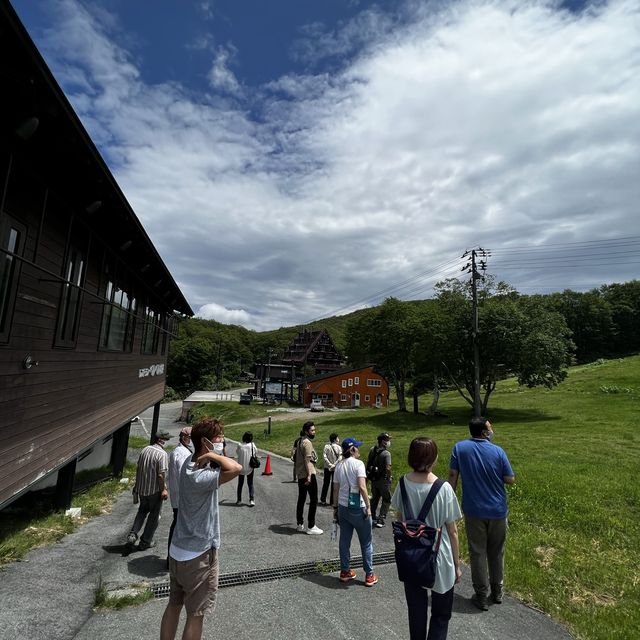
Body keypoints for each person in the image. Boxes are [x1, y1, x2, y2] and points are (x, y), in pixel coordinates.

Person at [160, 417, 242, 640]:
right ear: (206, 442)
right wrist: (215, 455)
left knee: (174, 606)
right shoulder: (202, 476)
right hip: (198, 555)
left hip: (178, 551)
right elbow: (236, 468)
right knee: (196, 615)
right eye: (218, 438)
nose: (222, 441)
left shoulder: (189, 463)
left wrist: (209, 455)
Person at [391, 437, 462, 640]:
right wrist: (456, 565)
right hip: (439, 557)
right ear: (433, 458)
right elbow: (453, 531)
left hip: (411, 556)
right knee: (440, 615)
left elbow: (400, 518)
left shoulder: (403, 483)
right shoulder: (444, 488)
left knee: (416, 614)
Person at [448, 417, 515, 611]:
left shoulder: (459, 449)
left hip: (473, 509)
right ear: (485, 432)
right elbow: (509, 479)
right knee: (497, 551)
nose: (492, 430)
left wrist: (449, 498)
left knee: (477, 552)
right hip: (498, 510)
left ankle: (481, 594)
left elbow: (453, 476)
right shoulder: (498, 451)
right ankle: (497, 590)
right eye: (490, 427)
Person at [332, 437, 378, 587]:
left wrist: (335, 508)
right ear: (352, 449)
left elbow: (336, 489)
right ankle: (369, 574)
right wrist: (369, 507)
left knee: (344, 540)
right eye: (357, 447)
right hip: (359, 507)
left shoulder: (338, 466)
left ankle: (345, 571)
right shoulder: (359, 464)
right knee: (366, 542)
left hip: (343, 507)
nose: (359, 450)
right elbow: (362, 487)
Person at [126, 429, 171, 551]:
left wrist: (137, 485)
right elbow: (161, 475)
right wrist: (163, 490)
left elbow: (138, 468)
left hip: (142, 489)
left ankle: (133, 534)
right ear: (163, 441)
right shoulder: (162, 454)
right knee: (154, 517)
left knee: (142, 511)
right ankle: (145, 541)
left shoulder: (145, 450)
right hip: (154, 491)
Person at [167, 426, 193, 558]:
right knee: (179, 526)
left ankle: (172, 556)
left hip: (177, 495)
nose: (192, 440)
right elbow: (185, 475)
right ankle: (172, 557)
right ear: (184, 438)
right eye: (190, 438)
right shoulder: (182, 453)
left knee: (177, 524)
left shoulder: (177, 451)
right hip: (182, 496)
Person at [293, 421, 323, 534]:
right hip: (308, 474)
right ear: (306, 431)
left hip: (300, 474)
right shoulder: (307, 443)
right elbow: (307, 460)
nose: (314, 432)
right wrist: (310, 475)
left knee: (301, 499)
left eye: (314, 430)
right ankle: (311, 526)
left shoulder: (299, 441)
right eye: (312, 430)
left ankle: (299, 524)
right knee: (314, 499)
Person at [368, 432, 392, 528]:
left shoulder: (372, 450)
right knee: (386, 499)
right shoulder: (386, 453)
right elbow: (388, 468)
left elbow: (369, 462)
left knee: (375, 497)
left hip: (374, 478)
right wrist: (389, 477)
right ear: (383, 442)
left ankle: (372, 515)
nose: (389, 442)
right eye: (387, 440)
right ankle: (381, 518)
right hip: (383, 479)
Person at [236, 431, 257, 506]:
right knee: (250, 483)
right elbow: (255, 453)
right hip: (250, 467)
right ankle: (251, 499)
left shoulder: (239, 445)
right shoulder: (252, 445)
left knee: (240, 484)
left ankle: (239, 500)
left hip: (241, 468)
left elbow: (237, 453)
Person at [319, 432, 341, 506]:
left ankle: (323, 499)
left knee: (326, 483)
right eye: (337, 438)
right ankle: (332, 501)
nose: (338, 439)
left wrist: (329, 464)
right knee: (334, 484)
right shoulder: (338, 447)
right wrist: (334, 465)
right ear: (335, 439)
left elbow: (324, 456)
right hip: (335, 468)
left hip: (327, 467)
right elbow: (340, 458)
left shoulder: (326, 446)